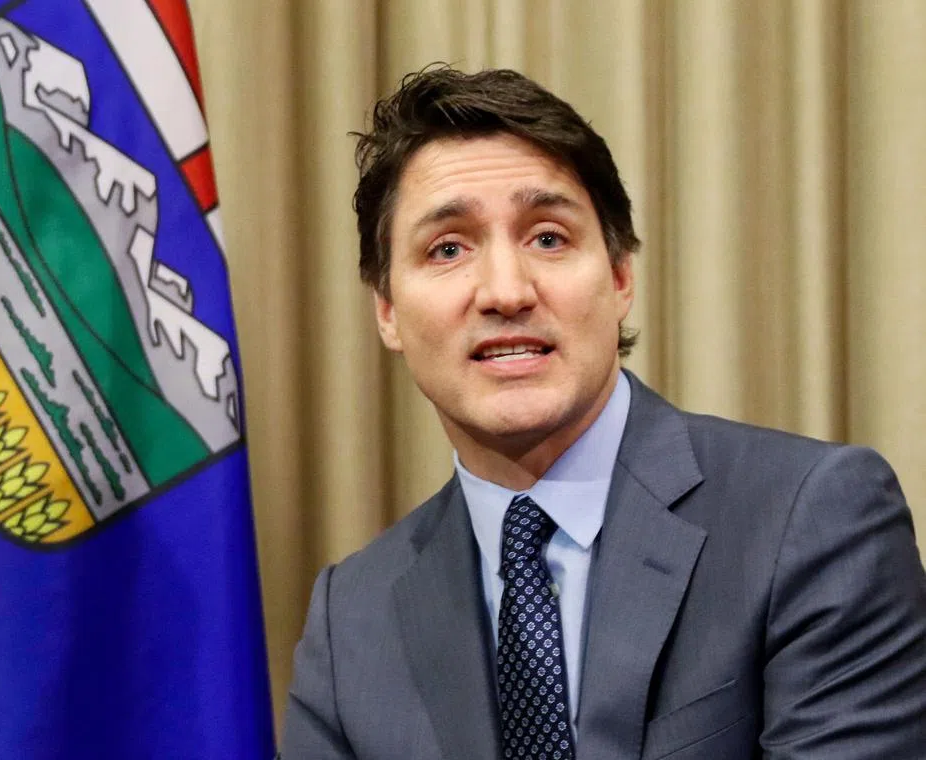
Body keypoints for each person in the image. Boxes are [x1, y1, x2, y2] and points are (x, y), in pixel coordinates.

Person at [280, 66, 926, 759]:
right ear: (387, 312)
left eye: (548, 238)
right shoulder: (352, 621)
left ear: (620, 276)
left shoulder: (811, 518)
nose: (506, 292)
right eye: (448, 249)